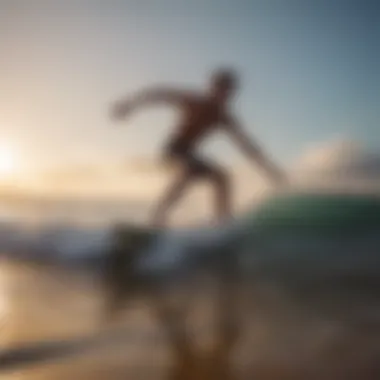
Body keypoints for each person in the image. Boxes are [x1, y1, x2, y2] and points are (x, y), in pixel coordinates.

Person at [111, 68, 286, 227]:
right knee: (189, 170)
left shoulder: (224, 117)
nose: (223, 95)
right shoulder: (193, 101)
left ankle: (222, 221)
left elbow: (247, 146)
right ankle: (157, 219)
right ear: (212, 88)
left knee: (222, 177)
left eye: (228, 91)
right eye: (220, 89)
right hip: (173, 149)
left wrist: (270, 170)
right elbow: (159, 94)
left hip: (189, 153)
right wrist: (129, 105)